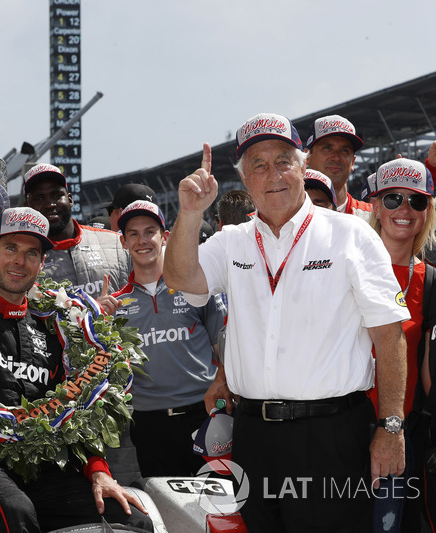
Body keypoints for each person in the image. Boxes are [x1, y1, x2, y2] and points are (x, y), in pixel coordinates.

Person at [164, 112, 409, 532]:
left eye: (283, 160)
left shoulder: (350, 234)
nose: (272, 173)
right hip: (253, 435)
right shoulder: (231, 241)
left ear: (303, 167)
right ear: (245, 180)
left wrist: (391, 426)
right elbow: (181, 277)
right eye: (258, 165)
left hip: (331, 434)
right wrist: (189, 213)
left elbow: (390, 336)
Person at [0, 175, 152, 532]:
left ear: (42, 263)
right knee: (16, 513)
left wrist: (99, 471)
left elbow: (77, 409)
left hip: (43, 459)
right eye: (11, 248)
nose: (20, 261)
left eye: (32, 252)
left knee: (131, 518)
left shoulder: (57, 322)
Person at [97, 200, 226, 477]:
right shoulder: (115, 304)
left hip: (204, 415)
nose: (142, 241)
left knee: (222, 507)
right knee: (167, 515)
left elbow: (224, 347)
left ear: (164, 237)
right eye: (133, 233)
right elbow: (105, 372)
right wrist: (98, 325)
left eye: (150, 231)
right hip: (150, 425)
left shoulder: (196, 288)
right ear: (123, 241)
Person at [364, 158, 436, 532]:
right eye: (392, 199)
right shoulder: (344, 267)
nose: (404, 210)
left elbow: (427, 373)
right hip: (335, 432)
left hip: (396, 436)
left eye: (417, 201)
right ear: (375, 206)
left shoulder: (432, 281)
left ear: (427, 212)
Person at [22, 163, 129, 298]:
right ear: (27, 206)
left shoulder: (116, 243)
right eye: (39, 198)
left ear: (70, 199)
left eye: (56, 195)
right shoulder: (21, 259)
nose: (50, 204)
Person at [305, 114, 371, 218]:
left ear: (353, 162)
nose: (336, 157)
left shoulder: (374, 218)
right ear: (307, 157)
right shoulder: (281, 213)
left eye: (344, 150)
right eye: (327, 148)